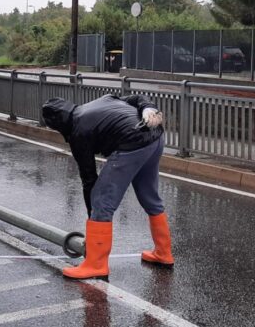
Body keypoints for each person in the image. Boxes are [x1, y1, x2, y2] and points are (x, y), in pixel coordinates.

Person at [41, 94, 173, 280]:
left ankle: (96, 264)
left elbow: (89, 180)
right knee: (149, 196)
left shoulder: (78, 132)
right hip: (155, 136)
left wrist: (92, 222)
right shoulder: (102, 100)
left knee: (102, 200)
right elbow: (137, 98)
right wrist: (148, 108)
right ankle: (163, 252)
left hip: (132, 142)